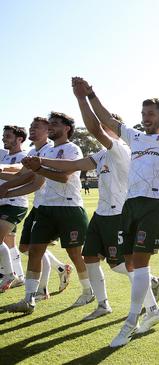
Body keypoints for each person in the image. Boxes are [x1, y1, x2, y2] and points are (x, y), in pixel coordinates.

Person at [70, 77, 159, 346]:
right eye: (143, 113)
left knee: (141, 263)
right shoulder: (133, 137)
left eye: (151, 114)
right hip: (130, 205)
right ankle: (154, 311)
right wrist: (90, 93)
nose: (146, 118)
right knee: (131, 265)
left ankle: (131, 321)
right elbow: (106, 120)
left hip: (153, 205)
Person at [20, 79, 159, 321]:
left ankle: (151, 289)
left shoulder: (120, 148)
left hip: (119, 214)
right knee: (89, 258)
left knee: (122, 265)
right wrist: (40, 162)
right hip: (101, 213)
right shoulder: (102, 154)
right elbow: (74, 165)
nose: (103, 132)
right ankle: (103, 304)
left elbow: (96, 130)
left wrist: (81, 98)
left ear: (115, 131)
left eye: (108, 128)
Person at [0, 112, 94, 313]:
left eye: (55, 124)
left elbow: (64, 177)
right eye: (49, 124)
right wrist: (6, 190)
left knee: (75, 253)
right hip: (45, 210)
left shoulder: (72, 149)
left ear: (66, 128)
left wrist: (36, 170)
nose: (50, 127)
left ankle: (88, 291)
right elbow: (29, 178)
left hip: (69, 208)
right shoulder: (45, 154)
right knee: (33, 250)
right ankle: (29, 299)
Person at [0, 118, 71, 297]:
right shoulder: (32, 151)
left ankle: (32, 286)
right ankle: (58, 270)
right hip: (34, 204)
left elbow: (23, 172)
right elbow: (20, 174)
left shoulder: (47, 150)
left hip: (44, 205)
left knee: (35, 248)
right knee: (25, 247)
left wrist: (6, 185)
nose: (4, 139)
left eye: (36, 127)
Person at [0, 126, 28, 291]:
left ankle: (8, 274)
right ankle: (19, 276)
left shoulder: (24, 157)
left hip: (14, 204)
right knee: (9, 244)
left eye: (8, 136)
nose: (4, 139)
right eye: (3, 136)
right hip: (2, 203)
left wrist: (2, 169)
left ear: (19, 139)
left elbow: (20, 172)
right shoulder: (2, 154)